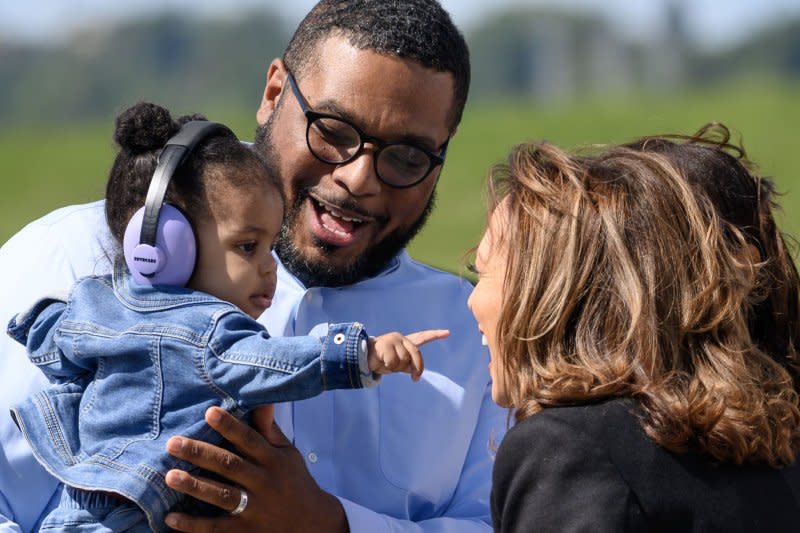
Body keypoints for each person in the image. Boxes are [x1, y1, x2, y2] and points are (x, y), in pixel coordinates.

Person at [0, 1, 504, 532]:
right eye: (332, 130)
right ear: (273, 94)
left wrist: (332, 525)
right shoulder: (72, 254)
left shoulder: (477, 335)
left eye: (407, 157)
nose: (359, 179)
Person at [469, 124, 800, 532]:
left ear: (556, 295)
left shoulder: (572, 449)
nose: (470, 299)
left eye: (483, 272)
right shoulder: (771, 438)